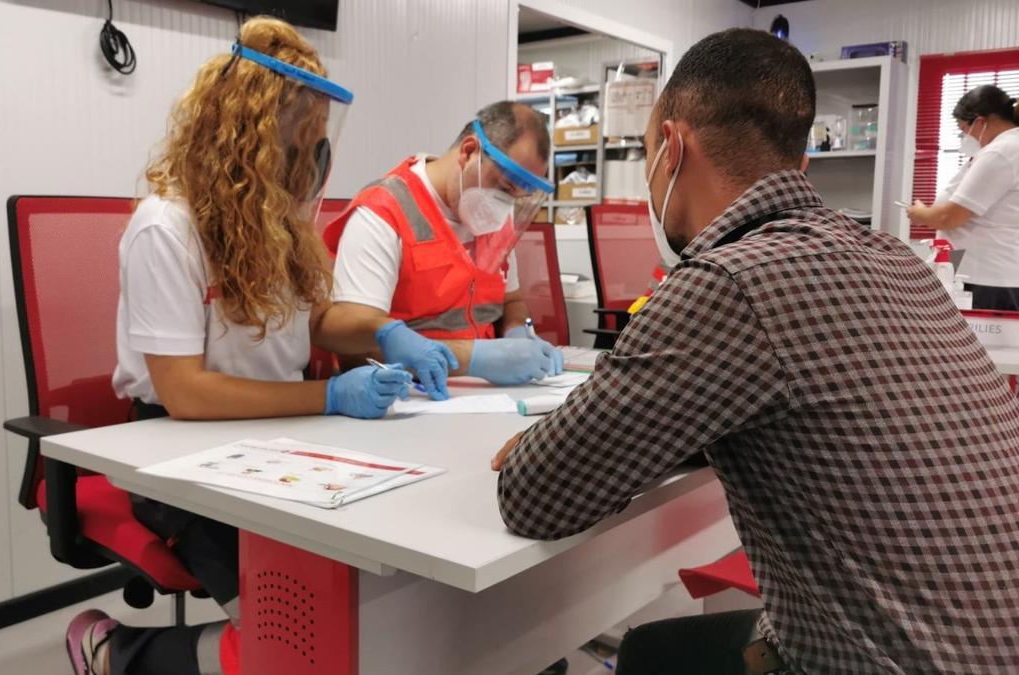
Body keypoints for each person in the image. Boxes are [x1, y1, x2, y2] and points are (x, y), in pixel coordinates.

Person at [492, 28, 1019, 674]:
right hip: (986, 641)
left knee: (653, 656)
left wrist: (574, 436)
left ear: (674, 147)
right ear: (800, 165)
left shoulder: (729, 283)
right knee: (656, 649)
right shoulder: (893, 258)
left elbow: (535, 495)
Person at [63, 17, 448, 675]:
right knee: (291, 637)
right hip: (177, 456)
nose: (311, 163)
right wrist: (326, 393)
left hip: (278, 440)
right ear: (250, 139)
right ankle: (116, 652)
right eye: (300, 144)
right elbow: (184, 392)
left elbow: (315, 318)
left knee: (363, 604)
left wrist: (385, 329)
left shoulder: (272, 225)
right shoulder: (168, 227)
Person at [319, 101, 564, 397]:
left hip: (488, 396)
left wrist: (518, 331)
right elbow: (354, 348)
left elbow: (511, 301)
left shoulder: (494, 219)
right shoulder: (383, 213)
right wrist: (476, 359)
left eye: (517, 196)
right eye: (503, 188)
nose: (504, 206)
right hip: (408, 397)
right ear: (469, 151)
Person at [908, 85, 1019, 311]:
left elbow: (949, 217)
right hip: (988, 274)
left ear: (980, 123)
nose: (963, 138)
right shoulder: (1006, 149)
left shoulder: (1000, 152)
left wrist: (920, 213)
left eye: (962, 130)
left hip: (987, 278)